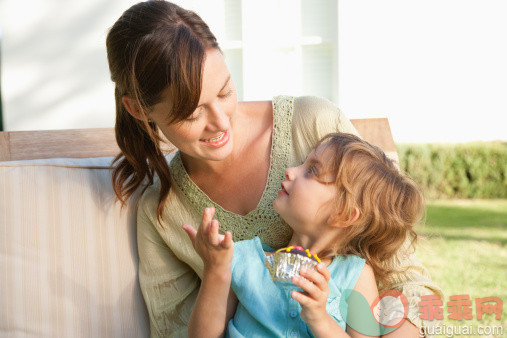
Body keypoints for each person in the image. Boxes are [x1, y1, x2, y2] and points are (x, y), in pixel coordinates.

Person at [105, 1, 442, 337]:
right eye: (192, 114)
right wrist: (217, 273)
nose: (222, 123)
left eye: (224, 92)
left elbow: (405, 278)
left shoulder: (313, 126)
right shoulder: (162, 214)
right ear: (138, 109)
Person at [182, 133, 425, 337]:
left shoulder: (356, 275)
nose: (289, 171)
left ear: (343, 213)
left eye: (311, 171)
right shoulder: (243, 259)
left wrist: (320, 320)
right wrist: (215, 271)